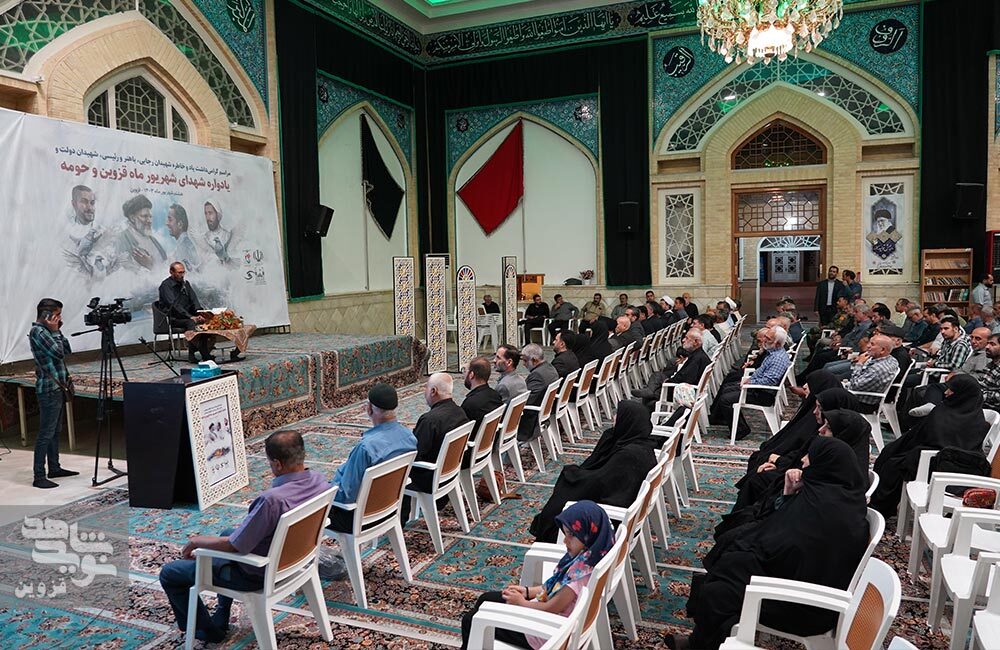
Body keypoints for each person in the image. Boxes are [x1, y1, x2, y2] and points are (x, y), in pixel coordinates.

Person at [669, 436, 868, 650]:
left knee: (722, 587)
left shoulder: (826, 510)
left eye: (810, 456)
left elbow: (787, 547)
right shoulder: (839, 498)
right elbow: (788, 537)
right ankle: (704, 638)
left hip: (806, 606)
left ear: (825, 465)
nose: (803, 460)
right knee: (732, 557)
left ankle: (699, 645)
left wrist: (754, 550)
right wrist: (788, 494)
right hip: (801, 579)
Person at [160, 430, 330, 643]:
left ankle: (209, 632)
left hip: (256, 574)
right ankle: (222, 611)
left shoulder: (272, 500)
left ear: (277, 464)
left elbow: (235, 546)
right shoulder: (319, 480)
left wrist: (195, 541)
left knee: (170, 573)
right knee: (226, 533)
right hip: (294, 561)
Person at [461, 501, 614, 650]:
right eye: (565, 534)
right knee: (485, 599)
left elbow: (550, 608)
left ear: (588, 535)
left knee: (470, 620)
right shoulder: (587, 560)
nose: (565, 541)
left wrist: (521, 602)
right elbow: (554, 587)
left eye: (571, 535)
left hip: (542, 634)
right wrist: (528, 592)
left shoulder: (577, 580)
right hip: (546, 617)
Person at [529, 402, 657, 542]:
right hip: (623, 513)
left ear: (628, 420)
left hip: (609, 520)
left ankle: (548, 533)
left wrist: (572, 475)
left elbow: (599, 482)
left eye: (619, 415)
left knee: (568, 486)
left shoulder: (628, 456)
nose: (614, 417)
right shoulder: (642, 446)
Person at [870, 374, 990, 517]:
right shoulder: (976, 417)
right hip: (946, 461)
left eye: (951, 390)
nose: (946, 393)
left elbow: (929, 439)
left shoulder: (946, 413)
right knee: (891, 453)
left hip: (940, 464)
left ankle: (879, 510)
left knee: (893, 464)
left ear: (962, 394)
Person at [327, 384, 416, 531]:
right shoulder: (409, 438)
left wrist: (325, 487)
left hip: (360, 519)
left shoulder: (366, 448)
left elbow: (346, 495)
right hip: (392, 509)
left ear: (369, 409)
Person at [737, 370, 842, 493]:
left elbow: (804, 452)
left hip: (799, 470)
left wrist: (779, 461)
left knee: (760, 474)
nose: (804, 387)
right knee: (760, 456)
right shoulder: (810, 410)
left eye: (809, 384)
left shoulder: (823, 421)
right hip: (791, 462)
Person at [28, 298, 79, 489]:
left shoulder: (50, 331)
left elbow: (67, 350)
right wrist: (56, 331)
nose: (59, 318)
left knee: (55, 431)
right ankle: (39, 475)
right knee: (45, 433)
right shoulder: (38, 332)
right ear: (47, 315)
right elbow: (57, 353)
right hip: (49, 389)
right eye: (57, 314)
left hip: (58, 388)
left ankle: (54, 467)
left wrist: (58, 331)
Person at [710, 326, 791, 440]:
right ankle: (720, 418)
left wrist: (751, 381)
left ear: (777, 344)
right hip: (757, 388)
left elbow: (770, 381)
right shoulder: (773, 352)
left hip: (762, 394)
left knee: (726, 399)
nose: (764, 340)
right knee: (727, 387)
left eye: (768, 339)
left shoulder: (777, 358)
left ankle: (741, 429)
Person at [409, 373, 470, 493]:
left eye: (426, 388)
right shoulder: (460, 412)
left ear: (433, 391)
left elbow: (415, 454)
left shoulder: (430, 420)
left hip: (429, 479)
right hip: (450, 472)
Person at [632, 329, 711, 412]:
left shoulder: (697, 359)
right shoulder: (699, 355)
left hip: (681, 391)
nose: (683, 340)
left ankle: (647, 402)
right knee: (657, 375)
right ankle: (649, 392)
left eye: (687, 338)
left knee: (649, 397)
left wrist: (668, 381)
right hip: (681, 386)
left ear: (696, 342)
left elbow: (686, 378)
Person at [158, 261, 215, 363]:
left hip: (188, 316)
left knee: (207, 321)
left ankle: (204, 349)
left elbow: (194, 300)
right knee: (191, 323)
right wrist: (190, 316)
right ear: (171, 272)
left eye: (183, 272)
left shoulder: (185, 284)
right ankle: (194, 354)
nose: (182, 275)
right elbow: (174, 305)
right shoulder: (166, 286)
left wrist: (200, 314)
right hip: (174, 318)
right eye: (179, 272)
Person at [843, 334, 899, 414]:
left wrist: (859, 364)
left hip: (861, 403)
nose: (868, 346)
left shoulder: (877, 370)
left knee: (830, 391)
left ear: (882, 350)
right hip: (861, 390)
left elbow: (854, 386)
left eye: (872, 344)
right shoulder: (891, 359)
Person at [518, 344, 559, 442]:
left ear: (534, 360)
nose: (523, 364)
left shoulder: (537, 375)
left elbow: (526, 400)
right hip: (544, 410)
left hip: (532, 417)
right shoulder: (549, 367)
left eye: (525, 361)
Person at [117, 193, 166, 271]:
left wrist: (151, 265)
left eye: (150, 217)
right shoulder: (122, 239)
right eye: (144, 216)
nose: (149, 221)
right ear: (132, 218)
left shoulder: (154, 241)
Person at [461, 357, 504, 432]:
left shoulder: (470, 404)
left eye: (465, 371)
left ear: (471, 375)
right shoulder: (496, 395)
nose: (464, 375)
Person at [166, 204, 200, 272]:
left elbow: (189, 275)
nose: (167, 223)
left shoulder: (184, 246)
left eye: (170, 220)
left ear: (180, 224)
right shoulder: (184, 243)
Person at [203, 199, 234, 265]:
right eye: (206, 213)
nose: (208, 217)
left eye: (210, 213)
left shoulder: (227, 235)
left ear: (218, 215)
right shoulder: (205, 237)